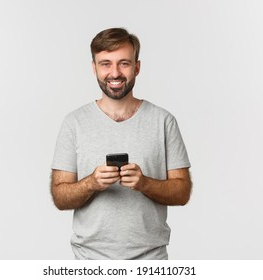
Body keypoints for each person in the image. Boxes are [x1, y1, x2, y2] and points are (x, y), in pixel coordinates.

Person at [51, 27, 192, 260]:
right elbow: (60, 196)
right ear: (94, 68)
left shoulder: (163, 121)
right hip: (89, 261)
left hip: (150, 261)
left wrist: (144, 183)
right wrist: (91, 183)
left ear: (137, 67)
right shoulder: (74, 122)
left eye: (123, 63)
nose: (114, 73)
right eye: (105, 63)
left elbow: (183, 192)